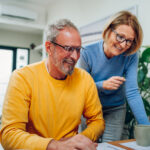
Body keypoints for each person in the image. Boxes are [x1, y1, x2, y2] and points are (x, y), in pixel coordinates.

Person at [0, 19, 105, 150]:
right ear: (49, 48)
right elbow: (9, 135)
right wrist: (54, 145)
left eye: (78, 50)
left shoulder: (85, 79)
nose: (74, 56)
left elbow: (97, 121)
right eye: (68, 48)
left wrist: (78, 140)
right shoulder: (22, 77)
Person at [78, 11, 150, 142]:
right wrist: (102, 85)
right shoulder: (86, 53)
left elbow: (132, 92)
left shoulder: (131, 55)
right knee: (86, 145)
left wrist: (147, 127)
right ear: (108, 31)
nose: (123, 45)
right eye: (120, 37)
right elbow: (80, 89)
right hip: (89, 109)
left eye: (129, 41)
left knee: (111, 146)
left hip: (115, 108)